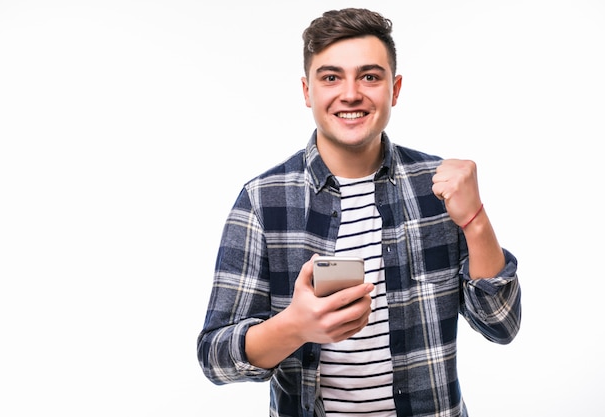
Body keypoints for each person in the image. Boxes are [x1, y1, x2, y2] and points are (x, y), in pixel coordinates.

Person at [197, 7, 521, 417]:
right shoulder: (263, 200)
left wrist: (475, 219)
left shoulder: (439, 187)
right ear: (307, 91)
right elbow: (215, 359)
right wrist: (295, 326)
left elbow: (502, 324)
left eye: (370, 76)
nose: (351, 93)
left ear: (395, 89)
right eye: (331, 77)